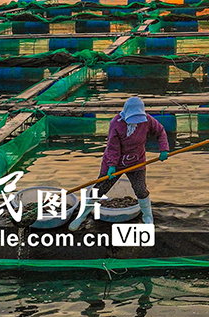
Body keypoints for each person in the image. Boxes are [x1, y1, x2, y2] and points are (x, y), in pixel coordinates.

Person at [70, 96, 170, 230]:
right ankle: (82, 216)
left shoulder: (147, 120)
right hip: (115, 163)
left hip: (137, 161)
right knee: (99, 189)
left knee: (140, 190)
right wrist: (111, 165)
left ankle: (147, 216)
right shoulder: (116, 123)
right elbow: (112, 147)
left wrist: (163, 149)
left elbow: (160, 131)